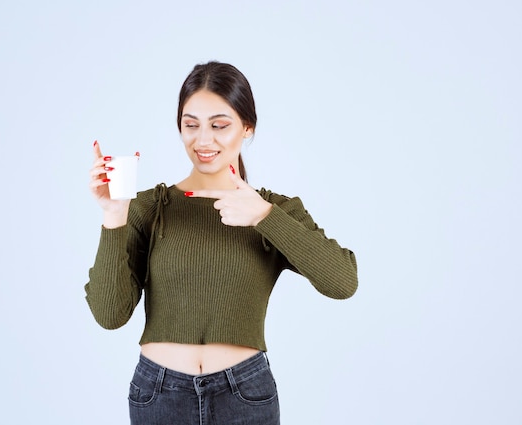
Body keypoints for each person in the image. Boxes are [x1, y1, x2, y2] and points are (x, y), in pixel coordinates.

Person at [85, 61, 358, 425]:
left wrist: (264, 216)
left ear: (247, 127)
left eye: (219, 125)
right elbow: (109, 315)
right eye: (191, 125)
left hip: (244, 395)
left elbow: (342, 282)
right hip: (159, 395)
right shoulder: (150, 207)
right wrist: (114, 214)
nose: (203, 140)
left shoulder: (273, 210)